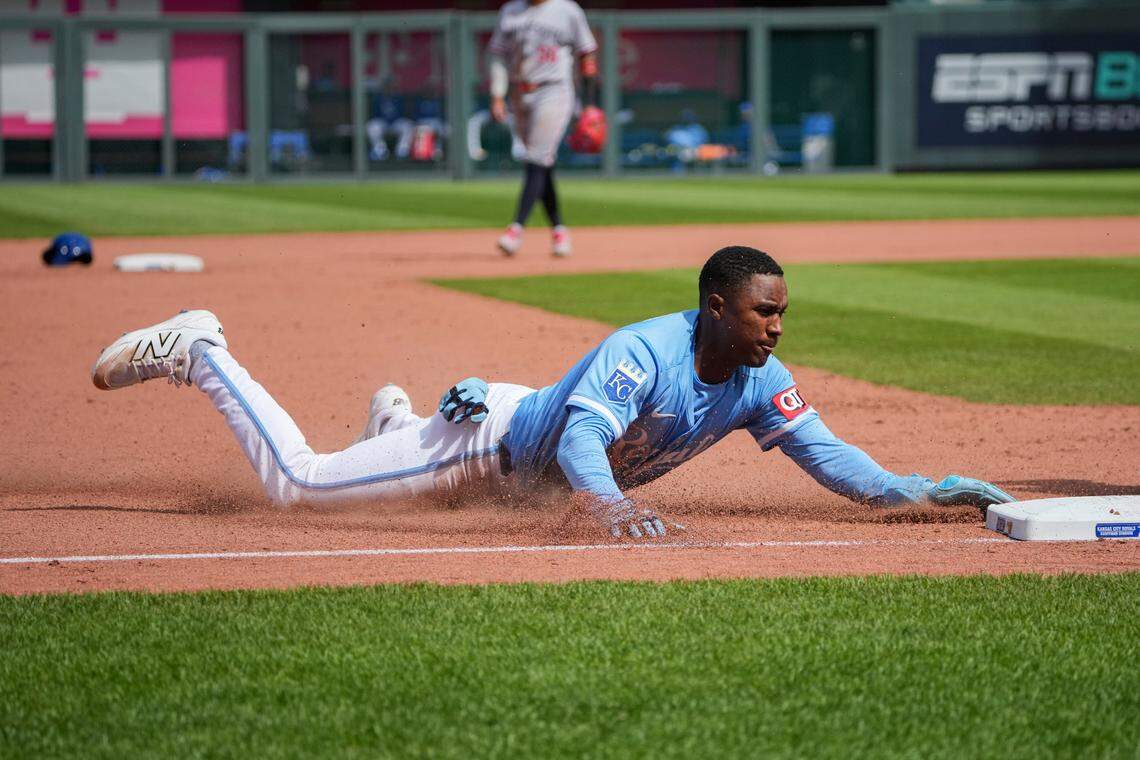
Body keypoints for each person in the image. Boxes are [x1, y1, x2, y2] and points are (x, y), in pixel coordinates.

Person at [90, 246, 1013, 539]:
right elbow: (580, 442)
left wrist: (912, 494)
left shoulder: (755, 381)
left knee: (405, 450)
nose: (777, 327)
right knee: (298, 484)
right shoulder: (645, 352)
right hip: (485, 447)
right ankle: (202, 347)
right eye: (763, 313)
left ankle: (397, 424)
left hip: (509, 428)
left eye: (782, 313)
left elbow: (826, 454)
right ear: (716, 306)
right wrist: (608, 507)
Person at [487, 0, 598, 258]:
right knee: (542, 162)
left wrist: (590, 103)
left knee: (535, 157)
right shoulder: (510, 11)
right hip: (519, 92)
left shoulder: (567, 10)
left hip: (554, 89)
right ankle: (559, 230)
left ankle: (515, 229)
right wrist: (497, 94)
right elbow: (498, 56)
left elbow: (587, 55)